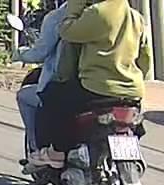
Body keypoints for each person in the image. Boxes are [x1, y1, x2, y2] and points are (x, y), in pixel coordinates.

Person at [31, 0, 152, 168]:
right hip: (132, 92)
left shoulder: (97, 13)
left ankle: (57, 152)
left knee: (51, 96)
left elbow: (67, 31)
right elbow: (145, 59)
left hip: (97, 88)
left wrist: (75, 5)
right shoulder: (136, 17)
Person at [12, 0, 67, 165]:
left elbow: (40, 51)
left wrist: (20, 53)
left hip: (71, 84)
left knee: (27, 97)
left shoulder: (62, 17)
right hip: (127, 89)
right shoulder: (129, 17)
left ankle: (38, 149)